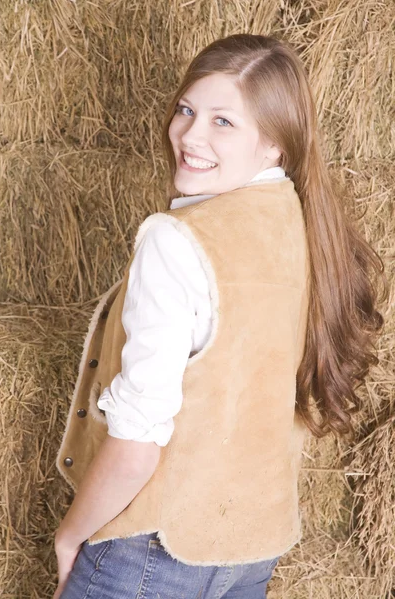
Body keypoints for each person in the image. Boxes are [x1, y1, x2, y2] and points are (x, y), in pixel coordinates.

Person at [53, 34, 387, 599]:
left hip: (149, 554)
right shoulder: (308, 231)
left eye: (222, 122)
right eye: (186, 110)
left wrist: (70, 538)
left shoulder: (176, 240)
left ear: (275, 144)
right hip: (252, 554)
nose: (189, 135)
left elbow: (137, 445)